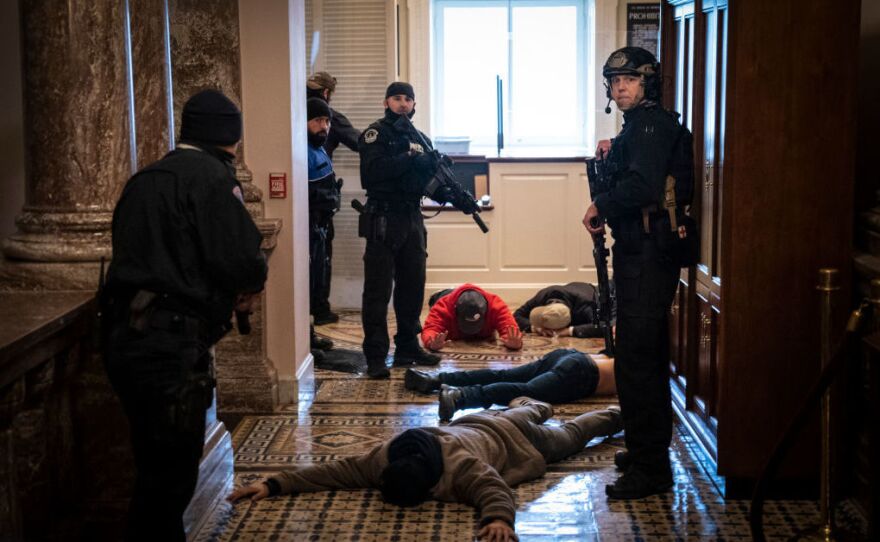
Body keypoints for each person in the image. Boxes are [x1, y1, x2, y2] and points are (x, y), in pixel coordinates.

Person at [103, 89, 268, 540]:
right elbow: (241, 259)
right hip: (170, 347)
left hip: (123, 339)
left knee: (150, 467)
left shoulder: (145, 179)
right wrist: (249, 286)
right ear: (231, 135)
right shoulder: (213, 179)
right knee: (169, 480)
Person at [228, 398, 622, 541]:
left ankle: (618, 413)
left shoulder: (460, 467)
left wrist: (500, 520)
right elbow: (333, 472)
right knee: (527, 408)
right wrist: (274, 483)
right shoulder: (385, 456)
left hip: (518, 441)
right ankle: (532, 403)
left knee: (571, 435)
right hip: (483, 420)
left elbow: (493, 490)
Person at [582, 47, 685, 500]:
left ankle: (652, 469)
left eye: (629, 80)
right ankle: (647, 452)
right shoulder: (641, 126)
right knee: (642, 358)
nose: (620, 87)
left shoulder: (646, 125)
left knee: (638, 363)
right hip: (642, 250)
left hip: (646, 252)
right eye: (615, 81)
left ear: (647, 83)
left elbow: (643, 186)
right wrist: (613, 150)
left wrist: (601, 203)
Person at [358, 81, 441, 378]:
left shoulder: (422, 138)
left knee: (412, 287)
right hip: (383, 219)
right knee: (378, 292)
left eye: (408, 99)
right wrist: (409, 158)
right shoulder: (375, 134)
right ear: (386, 103)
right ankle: (376, 356)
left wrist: (439, 174)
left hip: (412, 219)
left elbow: (433, 187)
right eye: (397, 98)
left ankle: (407, 348)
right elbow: (372, 173)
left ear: (415, 105)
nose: (403, 104)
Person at [404, 348, 616, 422]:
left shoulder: (635, 352)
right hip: (582, 374)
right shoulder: (645, 369)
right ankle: (461, 397)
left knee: (504, 374)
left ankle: (436, 379)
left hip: (570, 356)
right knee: (528, 391)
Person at [306, 72, 362, 324]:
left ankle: (312, 314)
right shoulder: (330, 116)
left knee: (315, 259)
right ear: (328, 93)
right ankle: (318, 311)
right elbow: (361, 143)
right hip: (317, 199)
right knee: (320, 258)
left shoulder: (294, 112)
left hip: (310, 198)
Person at [306, 97, 339, 358]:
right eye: (317, 120)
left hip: (321, 228)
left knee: (318, 282)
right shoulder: (301, 150)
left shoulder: (320, 149)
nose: (324, 126)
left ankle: (310, 335)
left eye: (326, 121)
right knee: (306, 285)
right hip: (308, 228)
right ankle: (304, 340)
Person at [421, 283, 523, 352]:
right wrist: (431, 343)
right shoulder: (443, 306)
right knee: (435, 300)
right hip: (444, 296)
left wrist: (516, 343)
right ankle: (444, 291)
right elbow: (430, 329)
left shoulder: (496, 305)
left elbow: (511, 330)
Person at [513, 282, 610, 338]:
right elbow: (516, 315)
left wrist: (569, 331)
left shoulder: (586, 305)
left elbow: (604, 326)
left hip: (592, 292)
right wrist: (535, 328)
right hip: (572, 289)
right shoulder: (543, 296)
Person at [307, 71, 362, 159]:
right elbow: (359, 143)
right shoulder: (331, 118)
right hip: (321, 170)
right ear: (326, 92)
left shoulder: (294, 115)